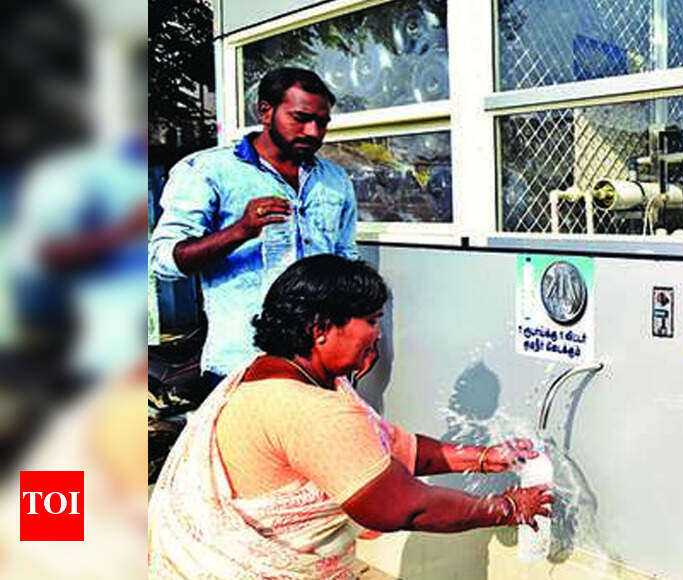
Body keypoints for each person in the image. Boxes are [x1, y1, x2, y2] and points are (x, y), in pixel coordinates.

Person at [148, 255, 553, 579]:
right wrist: (507, 508)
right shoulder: (310, 409)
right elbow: (405, 507)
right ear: (322, 328)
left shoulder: (268, 373)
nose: (378, 335)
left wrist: (484, 458)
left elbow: (389, 446)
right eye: (372, 321)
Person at [150, 67, 358, 385]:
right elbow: (164, 262)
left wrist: (363, 335)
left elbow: (346, 263)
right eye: (300, 118)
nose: (314, 132)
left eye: (322, 122)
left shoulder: (335, 180)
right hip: (242, 364)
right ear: (265, 111)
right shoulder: (208, 170)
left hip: (321, 360)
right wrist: (240, 231)